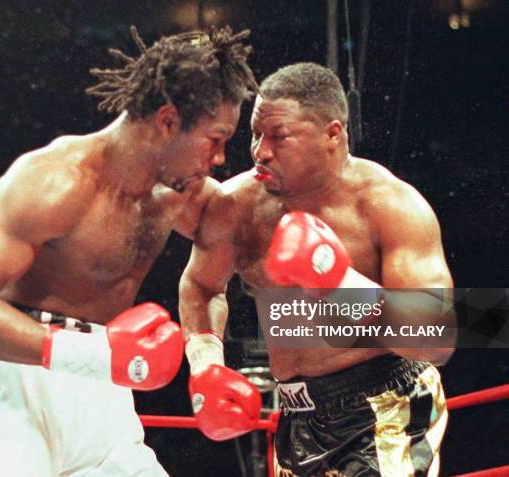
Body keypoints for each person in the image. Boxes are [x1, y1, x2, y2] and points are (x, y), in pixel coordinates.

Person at [0, 26, 258, 477]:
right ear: (167, 121)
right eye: (215, 139)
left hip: (103, 381)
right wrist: (91, 356)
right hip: (2, 377)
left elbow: (230, 250)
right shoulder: (57, 180)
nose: (220, 157)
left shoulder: (180, 191)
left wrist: (206, 364)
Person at [179, 62, 455, 476]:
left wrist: (338, 283)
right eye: (256, 134)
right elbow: (201, 285)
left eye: (279, 137)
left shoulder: (389, 206)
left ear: (332, 134)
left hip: (388, 403)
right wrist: (205, 364)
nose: (260, 151)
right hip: (297, 414)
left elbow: (439, 338)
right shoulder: (239, 208)